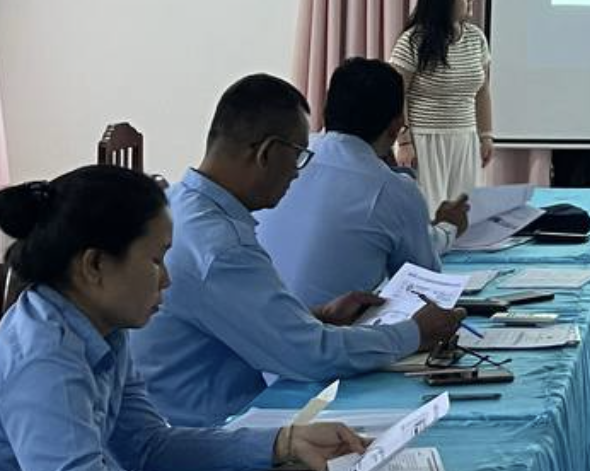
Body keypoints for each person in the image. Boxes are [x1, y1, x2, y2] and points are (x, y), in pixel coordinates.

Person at [131, 74, 464, 427]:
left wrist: (313, 317)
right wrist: (414, 333)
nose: (297, 172)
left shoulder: (178, 203)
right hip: (208, 429)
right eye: (299, 155)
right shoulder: (220, 246)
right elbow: (311, 356)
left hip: (188, 413)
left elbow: (233, 317)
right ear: (267, 153)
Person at [0, 165, 366, 471]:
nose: (166, 279)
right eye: (155, 260)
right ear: (94, 265)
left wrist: (283, 442)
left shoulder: (102, 327)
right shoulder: (45, 361)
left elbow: (147, 447)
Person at [258, 58, 471, 307]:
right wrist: (448, 228)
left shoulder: (286, 160)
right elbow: (423, 286)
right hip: (328, 327)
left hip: (257, 319)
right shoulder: (393, 189)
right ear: (396, 126)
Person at [390, 0, 495, 212]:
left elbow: (482, 91)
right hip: (424, 139)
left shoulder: (476, 38)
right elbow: (395, 93)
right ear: (443, 0)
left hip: (465, 138)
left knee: (465, 212)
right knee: (429, 212)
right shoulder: (413, 40)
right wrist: (404, 141)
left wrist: (486, 135)